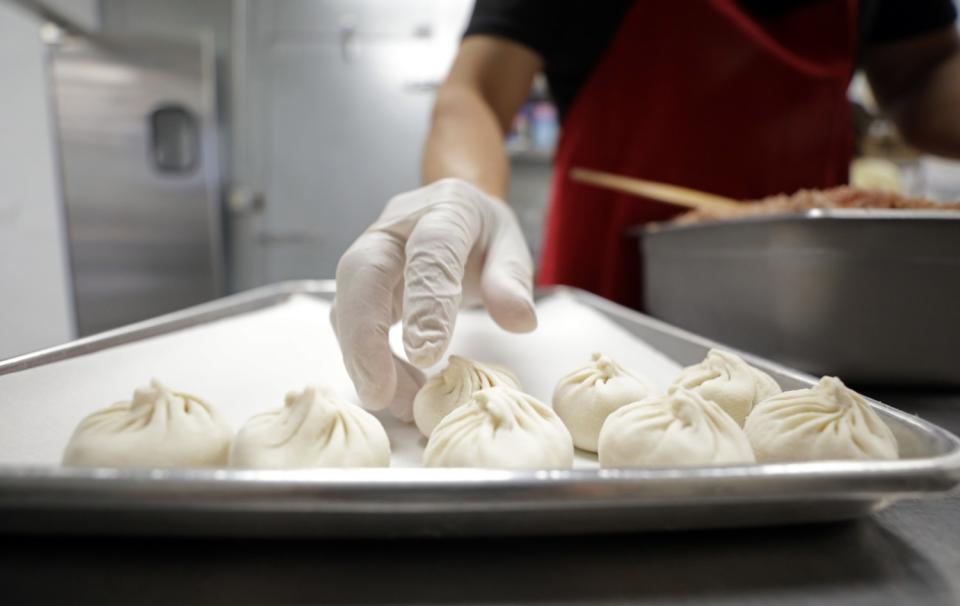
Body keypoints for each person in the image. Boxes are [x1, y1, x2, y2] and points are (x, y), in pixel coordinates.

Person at [332, 0, 960, 418]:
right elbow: (475, 90)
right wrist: (466, 196)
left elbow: (924, 72)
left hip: (817, 313)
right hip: (608, 300)